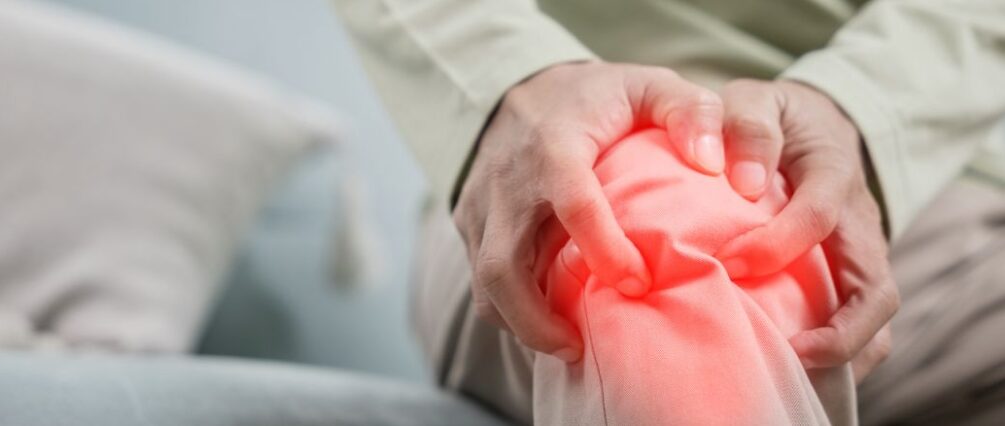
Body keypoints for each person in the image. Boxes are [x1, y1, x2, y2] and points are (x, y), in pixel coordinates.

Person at [331, 0, 1005, 424]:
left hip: (929, 173)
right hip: (559, 139)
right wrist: (514, 82)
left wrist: (863, 107)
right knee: (643, 249)